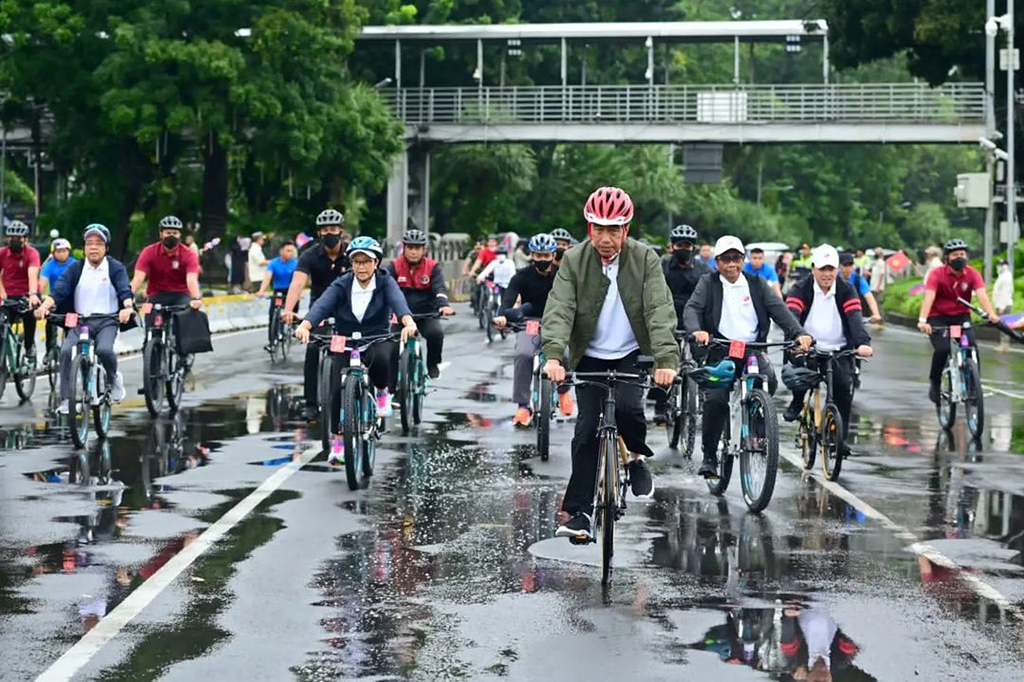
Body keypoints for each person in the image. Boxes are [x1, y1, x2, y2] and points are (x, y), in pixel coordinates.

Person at [542, 186, 678, 542]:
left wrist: (665, 359)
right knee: (586, 430)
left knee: (632, 410)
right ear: (589, 229)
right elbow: (560, 309)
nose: (605, 237)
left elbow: (659, 310)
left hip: (631, 352)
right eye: (598, 229)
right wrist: (554, 355)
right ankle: (580, 513)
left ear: (626, 230)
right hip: (589, 354)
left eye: (613, 229)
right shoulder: (573, 259)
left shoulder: (645, 258)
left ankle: (635, 458)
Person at [684, 235, 812, 479]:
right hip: (720, 348)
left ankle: (758, 425)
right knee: (716, 400)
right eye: (726, 260)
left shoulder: (757, 284)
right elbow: (692, 309)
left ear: (743, 260)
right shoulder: (707, 283)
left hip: (751, 349)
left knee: (769, 381)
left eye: (736, 258)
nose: (732, 265)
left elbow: (780, 311)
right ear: (717, 262)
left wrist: (800, 333)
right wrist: (696, 331)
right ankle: (710, 456)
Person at [294, 237, 417, 433]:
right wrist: (305, 325)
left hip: (376, 335)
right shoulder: (342, 283)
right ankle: (338, 441)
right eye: (356, 262)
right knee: (336, 391)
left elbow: (398, 302)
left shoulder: (385, 281)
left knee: (383, 358)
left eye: (366, 261)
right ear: (351, 263)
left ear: (376, 262)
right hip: (346, 338)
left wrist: (408, 322)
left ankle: (383, 392)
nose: (361, 267)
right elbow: (322, 305)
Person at [782, 245, 874, 456]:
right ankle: (797, 402)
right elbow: (791, 316)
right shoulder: (800, 288)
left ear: (837, 269)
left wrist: (863, 343)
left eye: (831, 269)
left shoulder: (846, 289)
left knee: (843, 389)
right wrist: (798, 338)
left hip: (838, 350)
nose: (827, 274)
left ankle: (837, 439)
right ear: (813, 268)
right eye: (822, 269)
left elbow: (855, 319)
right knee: (801, 379)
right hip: (807, 348)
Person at [34, 224, 134, 412]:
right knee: (65, 351)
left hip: (108, 320)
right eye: (89, 243)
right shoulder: (75, 268)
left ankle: (113, 380)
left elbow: (124, 289)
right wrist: (44, 307)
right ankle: (65, 398)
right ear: (84, 247)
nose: (93, 247)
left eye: (98, 243)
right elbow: (59, 290)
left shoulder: (114, 267)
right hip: (80, 321)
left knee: (104, 350)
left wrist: (127, 307)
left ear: (107, 248)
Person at [492, 233, 569, 426]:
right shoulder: (521, 276)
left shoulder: (563, 275)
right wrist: (503, 315)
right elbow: (508, 300)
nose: (542, 260)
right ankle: (522, 407)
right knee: (523, 355)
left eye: (546, 256)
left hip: (557, 322)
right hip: (530, 322)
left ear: (553, 255)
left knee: (566, 355)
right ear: (532, 255)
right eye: (538, 256)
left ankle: (563, 392)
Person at [283, 208, 350, 422]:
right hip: (319, 309)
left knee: (346, 350)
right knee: (312, 348)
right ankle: (311, 404)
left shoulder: (352, 254)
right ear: (319, 233)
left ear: (341, 231)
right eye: (324, 230)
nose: (329, 233)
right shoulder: (310, 255)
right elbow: (298, 283)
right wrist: (288, 309)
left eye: (333, 229)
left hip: (346, 310)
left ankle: (353, 394)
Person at [917, 239, 999, 404]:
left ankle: (974, 387)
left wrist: (992, 314)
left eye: (962, 254)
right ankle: (935, 382)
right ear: (947, 258)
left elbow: (982, 295)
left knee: (971, 346)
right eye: (955, 255)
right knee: (943, 349)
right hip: (938, 318)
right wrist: (923, 320)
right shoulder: (937, 274)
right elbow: (929, 297)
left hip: (960, 318)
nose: (959, 257)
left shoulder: (973, 274)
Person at [652, 224, 709, 423]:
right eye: (679, 245)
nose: (683, 249)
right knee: (663, 361)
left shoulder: (703, 270)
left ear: (693, 247)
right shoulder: (663, 266)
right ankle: (660, 404)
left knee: (703, 356)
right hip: (668, 321)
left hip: (694, 322)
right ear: (672, 247)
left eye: (687, 245)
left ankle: (701, 395)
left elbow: (709, 296)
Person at [385, 228, 454, 379]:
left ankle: (432, 364)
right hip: (400, 315)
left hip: (426, 314)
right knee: (389, 343)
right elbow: (385, 288)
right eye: (410, 247)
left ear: (424, 249)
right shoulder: (394, 266)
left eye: (417, 248)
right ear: (404, 248)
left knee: (436, 334)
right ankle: (392, 382)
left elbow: (439, 288)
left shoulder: (432, 267)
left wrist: (443, 305)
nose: (413, 252)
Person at [130, 215, 203, 310]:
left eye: (175, 233)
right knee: (150, 318)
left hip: (181, 295)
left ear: (180, 234)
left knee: (188, 317)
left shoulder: (189, 254)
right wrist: (127, 298)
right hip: (156, 294)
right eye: (168, 233)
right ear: (161, 234)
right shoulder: (149, 252)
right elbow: (138, 279)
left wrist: (195, 298)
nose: (171, 236)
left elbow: (192, 280)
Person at [0, 220, 42, 363]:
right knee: (2, 325)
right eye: (12, 238)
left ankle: (29, 346)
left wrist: (32, 294)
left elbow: (33, 273)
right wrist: (2, 293)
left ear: (25, 239)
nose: (15, 241)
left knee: (30, 315)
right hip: (8, 294)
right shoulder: (2, 253)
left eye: (18, 238)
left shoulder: (32, 253)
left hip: (27, 293)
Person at [40, 237, 78, 359]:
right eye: (58, 251)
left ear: (68, 251)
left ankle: (68, 349)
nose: (62, 254)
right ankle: (49, 349)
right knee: (49, 321)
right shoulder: (50, 266)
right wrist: (39, 295)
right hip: (55, 300)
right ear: (53, 253)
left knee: (70, 328)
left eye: (64, 251)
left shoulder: (74, 264)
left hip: (71, 301)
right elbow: (42, 282)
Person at [255, 241, 299, 345]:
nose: (290, 253)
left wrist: (298, 292)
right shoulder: (274, 263)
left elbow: (299, 280)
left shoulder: (295, 263)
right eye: (288, 251)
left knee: (292, 309)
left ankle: (290, 324)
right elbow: (267, 277)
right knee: (273, 314)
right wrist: (261, 290)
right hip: (278, 291)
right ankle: (272, 340)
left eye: (292, 251)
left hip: (291, 291)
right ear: (281, 251)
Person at [838, 252, 882, 323]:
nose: (848, 268)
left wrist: (876, 314)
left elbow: (869, 296)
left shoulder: (858, 279)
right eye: (845, 265)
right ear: (839, 266)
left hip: (853, 313)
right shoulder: (834, 278)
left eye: (851, 265)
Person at [993, 260, 1015, 352]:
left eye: (1001, 265)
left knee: (1003, 326)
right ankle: (1004, 345)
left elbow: (1005, 293)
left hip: (1004, 304)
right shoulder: (1004, 276)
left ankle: (1004, 346)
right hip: (1004, 303)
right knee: (1004, 326)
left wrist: (1001, 306)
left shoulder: (1005, 277)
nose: (999, 267)